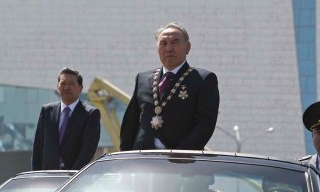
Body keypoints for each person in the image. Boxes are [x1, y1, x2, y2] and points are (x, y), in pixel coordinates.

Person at [120, 22, 220, 151]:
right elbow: (130, 122)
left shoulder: (202, 79)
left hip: (180, 160)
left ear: (187, 47)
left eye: (175, 42)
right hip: (143, 159)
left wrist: (180, 156)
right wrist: (126, 156)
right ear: (157, 48)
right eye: (163, 43)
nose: (169, 48)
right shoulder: (143, 78)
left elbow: (205, 124)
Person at [32, 68, 101, 170]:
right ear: (57, 87)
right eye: (63, 83)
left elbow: (88, 150)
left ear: (80, 88)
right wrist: (35, 175)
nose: (66, 87)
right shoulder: (47, 111)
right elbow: (38, 147)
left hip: (74, 177)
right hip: (47, 177)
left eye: (71, 84)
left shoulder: (90, 114)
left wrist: (73, 175)